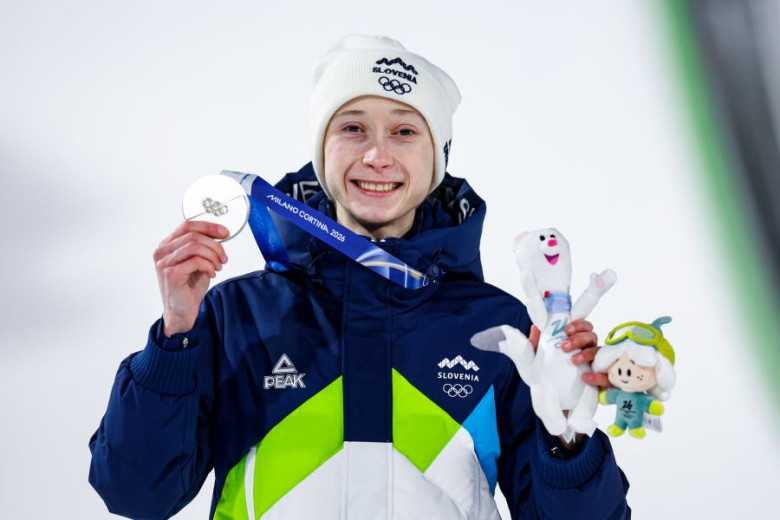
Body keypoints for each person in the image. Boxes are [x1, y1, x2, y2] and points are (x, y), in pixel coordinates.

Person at [89, 34, 630, 519]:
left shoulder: (499, 329)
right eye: (353, 128)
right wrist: (175, 338)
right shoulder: (240, 316)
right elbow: (137, 494)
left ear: (436, 156)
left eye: (403, 131)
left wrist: (567, 441)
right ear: (323, 150)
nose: (377, 155)